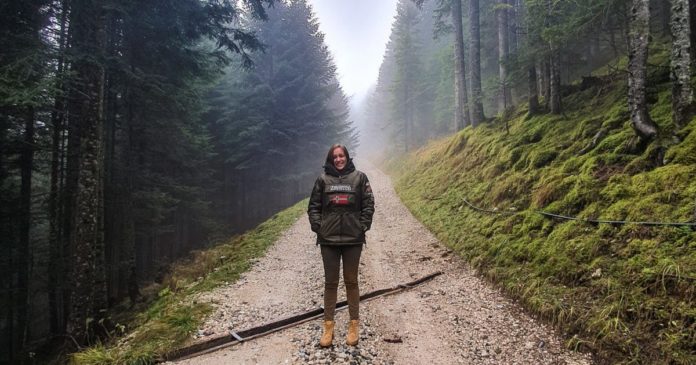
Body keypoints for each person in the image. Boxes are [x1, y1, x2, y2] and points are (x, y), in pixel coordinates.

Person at [307, 144, 375, 347]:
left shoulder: (360, 178)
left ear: (347, 157)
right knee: (330, 283)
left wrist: (362, 226)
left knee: (351, 282)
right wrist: (318, 227)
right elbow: (313, 206)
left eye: (341, 155)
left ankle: (354, 325)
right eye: (335, 156)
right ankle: (329, 327)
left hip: (353, 240)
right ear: (330, 159)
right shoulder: (322, 180)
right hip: (328, 241)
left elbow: (369, 204)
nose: (338, 159)